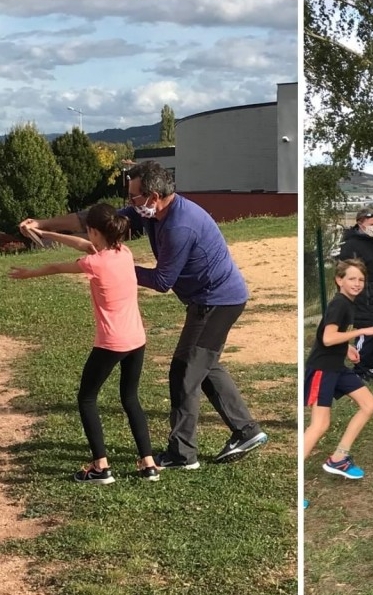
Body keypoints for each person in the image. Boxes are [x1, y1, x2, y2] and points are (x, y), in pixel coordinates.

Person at [19, 161, 267, 470]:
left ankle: (182, 454)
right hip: (209, 299)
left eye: (134, 197)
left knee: (184, 371)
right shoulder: (149, 210)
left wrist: (114, 266)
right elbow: (93, 220)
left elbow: (163, 281)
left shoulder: (179, 225)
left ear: (152, 195)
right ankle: (246, 430)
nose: (130, 203)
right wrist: (43, 223)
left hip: (217, 301)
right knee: (205, 365)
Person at [10, 204, 159, 484]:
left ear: (93, 231)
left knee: (87, 398)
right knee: (130, 398)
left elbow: (57, 266)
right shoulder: (123, 253)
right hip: (136, 339)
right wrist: (44, 229)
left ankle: (101, 467)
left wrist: (29, 273)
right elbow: (84, 245)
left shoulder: (95, 263)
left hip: (111, 342)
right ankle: (148, 463)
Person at [303, 259, 373, 481]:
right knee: (319, 425)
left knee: (370, 405)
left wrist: (345, 347)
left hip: (337, 367)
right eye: (352, 279)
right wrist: (361, 331)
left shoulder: (346, 303)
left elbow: (325, 334)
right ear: (339, 280)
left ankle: (339, 458)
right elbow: (328, 338)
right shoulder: (340, 304)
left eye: (361, 280)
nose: (357, 283)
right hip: (323, 369)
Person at [337, 208, 373, 381]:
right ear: (360, 223)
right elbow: (346, 274)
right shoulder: (351, 247)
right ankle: (359, 369)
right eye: (371, 224)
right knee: (366, 335)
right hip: (365, 300)